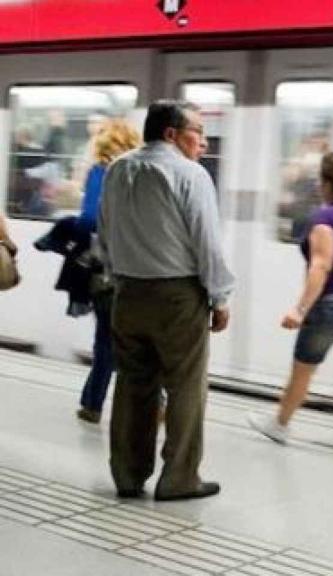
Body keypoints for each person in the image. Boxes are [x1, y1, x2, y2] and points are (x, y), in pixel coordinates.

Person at [98, 100, 235, 501]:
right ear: (172, 134)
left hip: (127, 292)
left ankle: (127, 473)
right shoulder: (191, 175)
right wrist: (220, 296)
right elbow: (207, 243)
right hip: (178, 297)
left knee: (132, 384)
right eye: (199, 132)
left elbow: (104, 234)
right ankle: (179, 478)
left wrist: (115, 279)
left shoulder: (117, 169)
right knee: (186, 386)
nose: (205, 144)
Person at [248, 152, 333, 460]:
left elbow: (321, 267)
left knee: (303, 370)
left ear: (325, 183)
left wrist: (299, 310)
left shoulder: (324, 219)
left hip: (331, 305)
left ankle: (280, 424)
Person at [74, 119, 141, 424]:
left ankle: (92, 402)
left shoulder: (101, 172)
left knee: (106, 339)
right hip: (137, 270)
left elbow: (88, 219)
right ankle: (154, 402)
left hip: (105, 269)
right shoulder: (140, 175)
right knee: (134, 339)